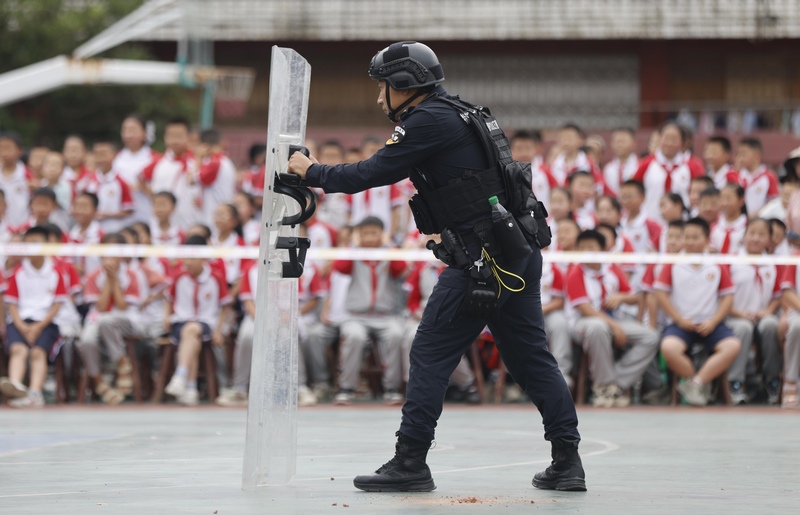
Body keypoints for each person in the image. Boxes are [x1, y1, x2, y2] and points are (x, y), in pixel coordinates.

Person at [288, 41, 584, 492]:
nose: (378, 96)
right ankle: (568, 462)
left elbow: (370, 173)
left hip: (480, 262)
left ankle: (410, 461)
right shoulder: (459, 111)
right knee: (532, 359)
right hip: (516, 252)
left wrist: (312, 172)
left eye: (383, 85)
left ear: (404, 85)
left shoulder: (429, 120)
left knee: (429, 354)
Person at [566, 230, 660, 407]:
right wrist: (613, 326)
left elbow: (635, 297)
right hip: (582, 323)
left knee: (650, 336)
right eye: (582, 247)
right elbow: (585, 309)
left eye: (591, 247)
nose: (587, 251)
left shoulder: (612, 269)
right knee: (597, 327)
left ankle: (616, 384)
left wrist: (621, 297)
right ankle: (603, 386)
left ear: (602, 249)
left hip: (615, 319)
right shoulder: (575, 273)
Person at [654, 217, 741, 406]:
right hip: (681, 325)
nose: (691, 242)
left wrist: (713, 321)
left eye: (696, 237)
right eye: (687, 237)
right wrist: (679, 319)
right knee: (669, 348)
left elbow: (728, 296)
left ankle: (697, 383)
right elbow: (660, 293)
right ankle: (696, 383)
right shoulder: (673, 262)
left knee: (732, 346)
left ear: (707, 238)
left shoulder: (716, 264)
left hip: (711, 323)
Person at [329, 216, 406, 405]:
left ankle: (391, 388)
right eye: (364, 234)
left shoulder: (389, 254)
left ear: (382, 234)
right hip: (356, 316)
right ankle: (347, 388)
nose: (369, 237)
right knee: (354, 337)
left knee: (396, 335)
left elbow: (401, 268)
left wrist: (390, 246)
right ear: (358, 235)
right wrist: (354, 246)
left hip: (385, 316)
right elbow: (339, 266)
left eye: (374, 233)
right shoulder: (354, 254)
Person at [0, 226, 66, 408]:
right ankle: (15, 385)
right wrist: (21, 326)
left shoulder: (55, 272)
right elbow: (11, 304)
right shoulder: (18, 273)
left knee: (38, 353)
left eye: (36, 243)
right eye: (27, 244)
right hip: (20, 321)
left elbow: (57, 304)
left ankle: (35, 393)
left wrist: (38, 326)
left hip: (46, 322)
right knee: (17, 350)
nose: (31, 248)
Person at [164, 235, 232, 406]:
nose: (187, 261)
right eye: (185, 256)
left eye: (192, 257)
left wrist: (219, 330)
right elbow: (168, 297)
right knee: (191, 335)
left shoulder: (216, 277)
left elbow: (225, 306)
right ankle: (191, 388)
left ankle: (181, 377)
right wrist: (166, 315)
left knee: (192, 330)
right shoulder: (179, 275)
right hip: (181, 321)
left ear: (203, 257)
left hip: (206, 323)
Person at [76, 233, 143, 405]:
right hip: (97, 317)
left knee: (107, 322)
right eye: (107, 252)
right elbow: (102, 307)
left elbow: (121, 306)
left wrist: (114, 279)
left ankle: (121, 361)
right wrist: (108, 279)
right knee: (86, 341)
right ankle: (98, 381)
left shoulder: (132, 275)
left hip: (125, 319)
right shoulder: (93, 275)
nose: (111, 257)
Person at [726, 218, 782, 405]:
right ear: (744, 235)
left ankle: (772, 380)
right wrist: (738, 313)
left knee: (771, 325)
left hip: (762, 315)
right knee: (743, 328)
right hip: (735, 316)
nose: (756, 238)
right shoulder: (732, 260)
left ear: (769, 239)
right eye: (752, 233)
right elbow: (723, 296)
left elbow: (777, 295)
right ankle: (736, 383)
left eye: (761, 234)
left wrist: (768, 311)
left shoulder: (773, 264)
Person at [633, 122, 704, 222]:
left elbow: (701, 193)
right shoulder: (645, 164)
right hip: (651, 220)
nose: (670, 143)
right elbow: (634, 190)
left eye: (674, 139)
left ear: (683, 142)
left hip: (682, 222)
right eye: (666, 138)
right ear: (659, 139)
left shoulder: (692, 165)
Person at [141, 118, 202, 229]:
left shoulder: (196, 162)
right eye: (171, 136)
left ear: (189, 138)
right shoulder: (159, 161)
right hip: (160, 225)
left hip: (187, 222)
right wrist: (154, 198)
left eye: (179, 136)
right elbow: (140, 177)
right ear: (165, 137)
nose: (175, 140)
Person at [75, 140, 135, 233]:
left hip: (114, 230)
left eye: (104, 154)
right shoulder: (86, 182)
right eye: (98, 155)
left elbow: (128, 210)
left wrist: (107, 215)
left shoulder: (121, 182)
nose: (101, 159)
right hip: (92, 231)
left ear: (114, 155)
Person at [114, 114, 160, 222]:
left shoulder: (155, 159)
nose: (128, 135)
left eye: (133, 130)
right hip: (121, 216)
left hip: (146, 214)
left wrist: (143, 186)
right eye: (125, 130)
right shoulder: (115, 158)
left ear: (145, 133)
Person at [195, 128, 237, 227]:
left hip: (214, 217)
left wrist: (198, 158)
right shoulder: (227, 162)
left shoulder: (214, 162)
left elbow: (192, 179)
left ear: (205, 145)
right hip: (221, 214)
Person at [736, 137, 779, 217]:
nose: (740, 158)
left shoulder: (769, 177)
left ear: (757, 155)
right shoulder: (737, 175)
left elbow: (773, 202)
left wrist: (757, 214)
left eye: (743, 154)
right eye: (738, 154)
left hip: (760, 220)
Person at [0, 131, 34, 227]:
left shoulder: (29, 175)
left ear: (19, 151)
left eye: (8, 148)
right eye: (1, 148)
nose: (4, 152)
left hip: (23, 228)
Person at [69, 192, 104, 276]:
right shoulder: (71, 234)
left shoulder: (100, 235)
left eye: (84, 207)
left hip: (95, 282)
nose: (80, 211)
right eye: (77, 206)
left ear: (95, 210)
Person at [709, 184, 747, 254]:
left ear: (741, 200)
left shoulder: (748, 225)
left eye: (728, 199)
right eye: (722, 199)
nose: (724, 203)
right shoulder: (714, 225)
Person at [603, 127, 639, 197]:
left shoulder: (639, 165)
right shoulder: (608, 168)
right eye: (616, 141)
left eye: (623, 141)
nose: (619, 144)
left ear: (634, 143)